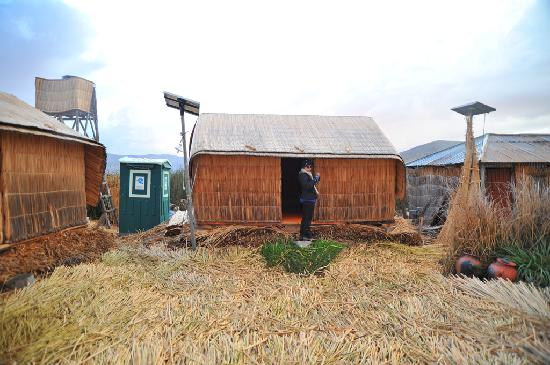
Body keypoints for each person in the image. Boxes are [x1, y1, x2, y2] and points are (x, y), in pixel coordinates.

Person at [298, 159, 320, 240]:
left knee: (307, 218)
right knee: (307, 218)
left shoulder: (308, 174)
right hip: (307, 199)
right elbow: (307, 186)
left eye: (311, 166)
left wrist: (317, 178)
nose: (310, 168)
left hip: (310, 199)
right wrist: (315, 179)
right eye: (308, 166)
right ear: (304, 166)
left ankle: (304, 235)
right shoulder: (303, 175)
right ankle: (305, 235)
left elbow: (311, 184)